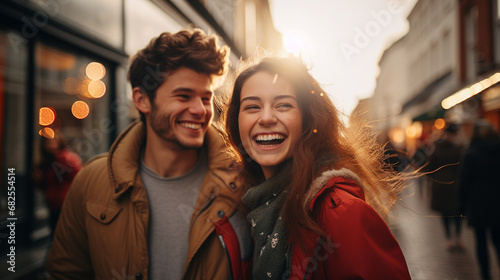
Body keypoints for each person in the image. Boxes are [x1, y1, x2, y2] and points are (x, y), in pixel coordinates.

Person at [46, 29, 252, 280]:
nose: (200, 110)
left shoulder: (244, 181)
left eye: (206, 98)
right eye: (183, 96)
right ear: (142, 100)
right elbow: (66, 273)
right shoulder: (92, 181)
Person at [223, 56, 411, 279]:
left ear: (307, 119)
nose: (266, 118)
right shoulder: (247, 207)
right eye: (252, 107)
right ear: (237, 122)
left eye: (283, 105)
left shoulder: (342, 212)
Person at [460, 119, 500, 280]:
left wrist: (461, 206)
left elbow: (464, 183)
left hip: (478, 204)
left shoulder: (471, 154)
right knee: (498, 240)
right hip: (498, 202)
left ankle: (486, 274)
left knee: (481, 241)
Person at [34, 132, 82, 234]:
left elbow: (77, 175)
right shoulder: (47, 160)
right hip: (53, 203)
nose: (51, 145)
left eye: (53, 142)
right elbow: (45, 184)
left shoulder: (63, 158)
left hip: (64, 202)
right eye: (48, 142)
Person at [426, 123, 465, 251]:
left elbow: (430, 167)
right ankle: (457, 237)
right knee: (458, 212)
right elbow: (463, 168)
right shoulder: (459, 148)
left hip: (440, 185)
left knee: (445, 213)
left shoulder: (437, 148)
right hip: (456, 184)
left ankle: (449, 239)